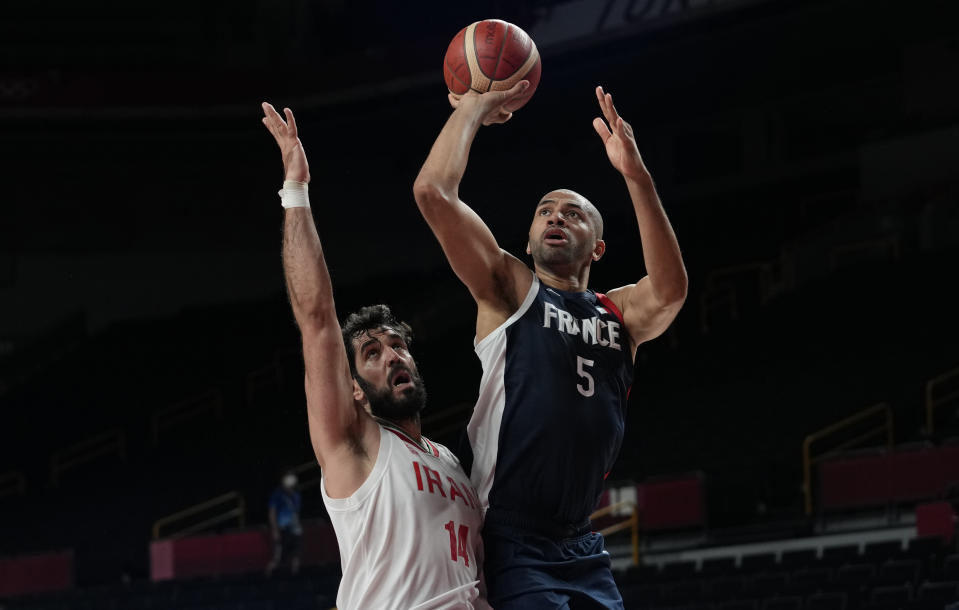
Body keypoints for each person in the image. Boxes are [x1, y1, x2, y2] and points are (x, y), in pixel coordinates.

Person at [413, 83, 688, 608]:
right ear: (528, 239)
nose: (556, 216)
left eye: (573, 212)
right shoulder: (510, 289)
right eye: (545, 210)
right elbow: (433, 194)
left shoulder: (621, 314)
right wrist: (472, 107)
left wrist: (636, 175)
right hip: (508, 531)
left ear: (599, 247)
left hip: (580, 538)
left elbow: (672, 290)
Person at [261, 102, 488, 609]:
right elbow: (317, 320)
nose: (392, 355)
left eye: (398, 344)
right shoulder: (354, 444)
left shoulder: (451, 462)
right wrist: (295, 189)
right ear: (355, 392)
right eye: (372, 352)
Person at [266, 470, 303, 577]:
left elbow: (296, 512)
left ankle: (295, 577)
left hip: (296, 530)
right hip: (282, 530)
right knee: (278, 558)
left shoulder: (296, 495)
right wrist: (275, 530)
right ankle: (268, 577)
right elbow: (272, 513)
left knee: (296, 555)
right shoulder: (277, 495)